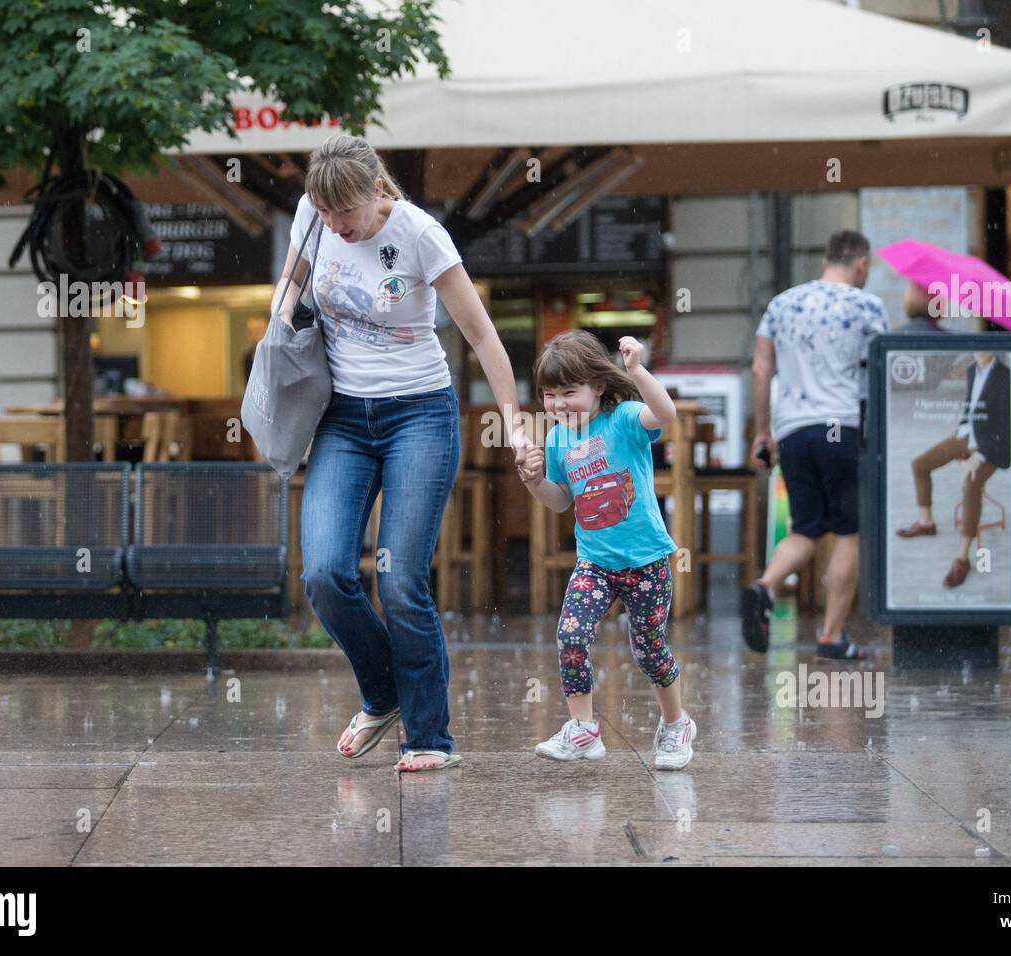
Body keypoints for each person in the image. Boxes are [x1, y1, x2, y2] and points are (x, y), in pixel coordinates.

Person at [273, 134, 528, 773]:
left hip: (419, 415)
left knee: (400, 581)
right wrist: (283, 329)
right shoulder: (313, 215)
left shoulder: (419, 234)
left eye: (346, 215)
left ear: (376, 190)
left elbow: (480, 333)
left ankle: (429, 737)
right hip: (342, 420)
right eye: (326, 214)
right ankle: (383, 693)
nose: (336, 226)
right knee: (324, 573)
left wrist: (516, 425)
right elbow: (289, 289)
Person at [516, 331, 695, 770]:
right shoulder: (557, 439)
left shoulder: (626, 419)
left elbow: (666, 413)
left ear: (598, 386)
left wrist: (636, 370)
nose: (558, 404)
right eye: (549, 395)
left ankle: (676, 724)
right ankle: (583, 730)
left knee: (649, 648)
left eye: (569, 393)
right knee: (571, 636)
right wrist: (535, 482)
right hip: (593, 563)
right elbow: (562, 502)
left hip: (646, 560)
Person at [743, 230, 888, 659]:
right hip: (840, 426)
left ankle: (764, 585)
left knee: (806, 526)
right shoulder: (868, 306)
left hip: (792, 430)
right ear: (860, 264)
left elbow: (760, 368)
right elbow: (881, 368)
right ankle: (831, 636)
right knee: (848, 531)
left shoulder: (781, 303)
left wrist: (763, 431)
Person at [895, 352, 1011, 588]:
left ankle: (962, 557)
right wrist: (960, 430)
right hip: (967, 436)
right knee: (919, 464)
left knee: (971, 484)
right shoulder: (972, 370)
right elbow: (971, 407)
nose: (978, 351)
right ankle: (926, 523)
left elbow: (1004, 425)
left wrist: (979, 456)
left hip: (993, 444)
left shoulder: (1004, 376)